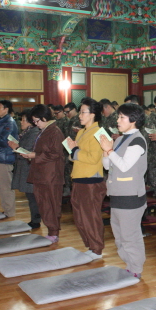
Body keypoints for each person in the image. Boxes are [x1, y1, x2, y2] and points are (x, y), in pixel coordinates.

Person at [99, 103, 148, 278]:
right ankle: (129, 264)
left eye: (122, 117)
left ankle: (136, 268)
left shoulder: (137, 140)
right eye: (118, 117)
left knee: (130, 236)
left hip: (131, 196)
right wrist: (105, 152)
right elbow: (108, 166)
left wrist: (109, 150)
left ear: (133, 120)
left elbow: (125, 166)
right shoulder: (120, 140)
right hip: (117, 194)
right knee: (119, 236)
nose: (118, 120)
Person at [65, 98, 107, 259]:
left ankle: (97, 248)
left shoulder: (99, 133)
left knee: (90, 216)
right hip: (79, 178)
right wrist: (72, 150)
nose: (80, 115)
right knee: (80, 216)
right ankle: (90, 245)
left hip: (91, 180)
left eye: (83, 112)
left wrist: (75, 151)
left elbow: (93, 158)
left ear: (93, 114)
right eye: (80, 112)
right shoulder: (81, 132)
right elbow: (74, 156)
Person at [21, 105, 66, 243]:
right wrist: (31, 155)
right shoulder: (44, 130)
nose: (36, 124)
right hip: (41, 174)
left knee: (51, 204)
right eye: (34, 121)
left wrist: (35, 155)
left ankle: (54, 232)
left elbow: (56, 154)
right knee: (43, 204)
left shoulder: (55, 131)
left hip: (51, 175)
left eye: (37, 121)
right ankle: (51, 230)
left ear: (45, 118)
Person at [8, 109, 42, 229]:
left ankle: (36, 220)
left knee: (33, 196)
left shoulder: (34, 132)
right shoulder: (27, 132)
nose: (21, 122)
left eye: (23, 120)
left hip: (30, 168)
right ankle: (34, 219)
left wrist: (16, 147)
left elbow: (27, 151)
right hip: (25, 167)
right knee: (30, 195)